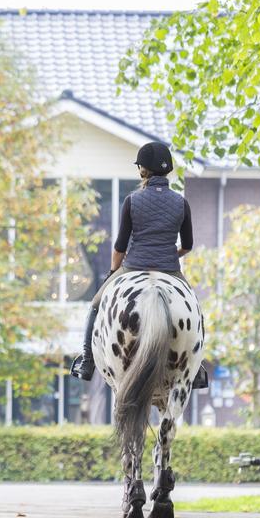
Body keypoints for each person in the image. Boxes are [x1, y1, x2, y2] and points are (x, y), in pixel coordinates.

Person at [70, 141, 208, 389]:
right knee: (194, 310)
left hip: (133, 266)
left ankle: (87, 360)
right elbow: (188, 245)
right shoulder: (181, 203)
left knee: (95, 304)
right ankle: (196, 369)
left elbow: (120, 247)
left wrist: (113, 273)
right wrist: (171, 253)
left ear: (143, 170)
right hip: (170, 268)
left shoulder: (132, 201)